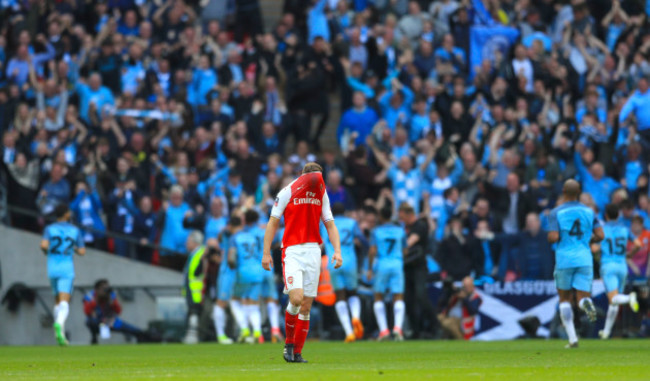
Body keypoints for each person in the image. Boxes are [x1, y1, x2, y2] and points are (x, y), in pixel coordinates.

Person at [262, 162, 342, 363]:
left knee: (306, 306)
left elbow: (330, 224)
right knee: (296, 299)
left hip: (314, 250)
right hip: (292, 250)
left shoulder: (321, 194)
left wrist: (337, 251)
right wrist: (266, 253)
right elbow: (272, 222)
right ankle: (288, 344)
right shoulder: (287, 191)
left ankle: (297, 353)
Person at [548, 179, 605, 348]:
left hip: (565, 259)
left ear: (564, 191)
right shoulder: (589, 212)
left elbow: (552, 237)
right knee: (582, 296)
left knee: (564, 298)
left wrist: (561, 236)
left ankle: (572, 339)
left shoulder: (556, 212)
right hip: (584, 258)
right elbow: (601, 235)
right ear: (579, 192)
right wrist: (588, 239)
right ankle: (585, 303)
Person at [320, 202, 367, 342]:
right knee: (353, 292)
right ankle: (356, 317)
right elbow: (362, 240)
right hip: (350, 261)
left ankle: (348, 332)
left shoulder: (325, 225)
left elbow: (320, 242)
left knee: (339, 296)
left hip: (333, 261)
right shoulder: (351, 223)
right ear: (345, 212)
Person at [40, 204, 86, 346]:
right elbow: (83, 251)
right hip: (66, 268)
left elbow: (43, 245)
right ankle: (59, 324)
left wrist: (49, 253)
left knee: (57, 302)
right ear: (66, 214)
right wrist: (75, 250)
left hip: (52, 267)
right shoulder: (74, 230)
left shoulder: (50, 229)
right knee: (65, 301)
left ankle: (59, 337)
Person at [594, 204, 640, 339]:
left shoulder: (602, 230)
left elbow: (595, 249)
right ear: (618, 215)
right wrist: (630, 255)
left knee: (614, 298)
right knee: (614, 301)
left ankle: (629, 297)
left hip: (608, 266)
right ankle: (606, 332)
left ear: (606, 215)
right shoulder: (625, 229)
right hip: (622, 266)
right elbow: (638, 244)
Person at [367, 206, 407, 341]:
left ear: (381, 217)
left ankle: (383, 331)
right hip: (397, 263)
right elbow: (405, 250)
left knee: (378, 296)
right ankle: (398, 329)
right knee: (398, 296)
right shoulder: (400, 231)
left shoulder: (376, 231)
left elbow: (372, 250)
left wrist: (370, 269)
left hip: (383, 264)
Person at [398, 203, 436, 338]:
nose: (402, 221)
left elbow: (408, 244)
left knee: (421, 296)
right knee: (408, 300)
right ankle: (415, 330)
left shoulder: (420, 226)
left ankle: (435, 326)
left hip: (419, 267)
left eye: (403, 217)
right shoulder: (406, 228)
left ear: (409, 214)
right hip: (407, 268)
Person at [229, 209, 265, 343]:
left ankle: (244, 329)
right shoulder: (251, 236)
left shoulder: (234, 237)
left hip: (243, 272)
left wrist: (233, 267)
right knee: (252, 302)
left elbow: (231, 258)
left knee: (234, 299)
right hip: (258, 271)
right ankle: (257, 331)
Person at [250, 216, 284, 343]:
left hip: (254, 267)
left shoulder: (248, 232)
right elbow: (278, 243)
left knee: (253, 301)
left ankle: (258, 333)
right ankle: (275, 330)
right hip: (268, 266)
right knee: (271, 299)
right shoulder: (267, 229)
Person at [83, 279, 148, 344]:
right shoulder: (90, 296)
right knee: (92, 321)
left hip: (109, 321)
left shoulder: (110, 295)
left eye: (107, 288)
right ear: (97, 289)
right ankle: (94, 338)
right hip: (97, 322)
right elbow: (87, 311)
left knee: (134, 330)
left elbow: (118, 311)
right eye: (103, 289)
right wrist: (96, 299)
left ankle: (142, 338)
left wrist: (111, 301)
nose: (105, 291)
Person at [212, 216, 242, 345]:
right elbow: (219, 238)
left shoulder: (231, 235)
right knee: (221, 302)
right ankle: (220, 335)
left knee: (238, 302)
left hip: (235, 273)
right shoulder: (228, 234)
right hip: (226, 273)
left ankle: (242, 332)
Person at [182, 230, 208, 344]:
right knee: (192, 312)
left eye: (188, 241)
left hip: (196, 290)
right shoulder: (194, 254)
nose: (186, 244)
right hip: (192, 289)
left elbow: (200, 271)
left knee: (195, 313)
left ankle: (193, 336)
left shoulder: (201, 253)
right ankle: (191, 336)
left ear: (195, 242)